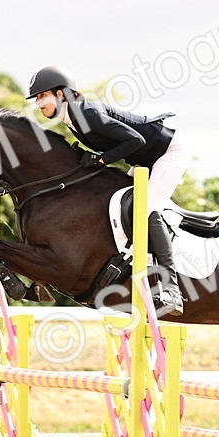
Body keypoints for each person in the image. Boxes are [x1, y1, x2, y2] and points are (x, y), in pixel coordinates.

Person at [27, 66, 186, 316]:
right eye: (36, 99)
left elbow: (136, 140)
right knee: (118, 205)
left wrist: (102, 160)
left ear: (60, 94)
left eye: (41, 96)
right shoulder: (72, 118)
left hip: (165, 154)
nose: (38, 103)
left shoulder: (86, 113)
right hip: (143, 161)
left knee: (145, 209)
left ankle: (172, 289)